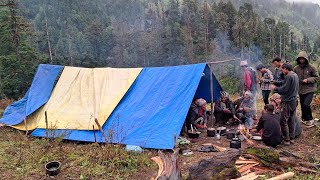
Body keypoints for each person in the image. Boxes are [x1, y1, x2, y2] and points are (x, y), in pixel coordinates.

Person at [271, 63, 299, 145]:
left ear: (286, 69)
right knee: (291, 120)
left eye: (282, 69)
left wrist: (275, 88)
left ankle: (286, 139)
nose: (282, 71)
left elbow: (285, 89)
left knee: (283, 121)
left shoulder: (289, 76)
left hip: (288, 101)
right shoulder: (295, 75)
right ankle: (292, 138)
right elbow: (285, 83)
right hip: (294, 101)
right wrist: (276, 82)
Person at [293, 51, 320, 126]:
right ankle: (304, 119)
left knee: (306, 104)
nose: (301, 60)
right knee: (302, 105)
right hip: (301, 90)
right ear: (298, 59)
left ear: (306, 59)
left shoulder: (311, 67)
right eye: (300, 59)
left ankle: (310, 119)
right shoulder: (296, 68)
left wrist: (308, 80)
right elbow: (292, 76)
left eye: (303, 59)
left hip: (310, 89)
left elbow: (317, 78)